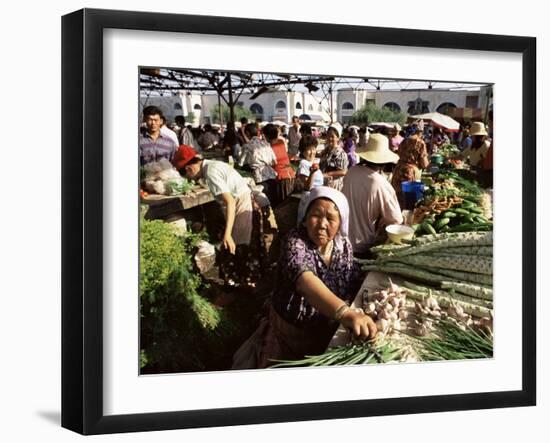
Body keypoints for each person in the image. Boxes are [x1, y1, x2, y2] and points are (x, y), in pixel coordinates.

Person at [232, 186, 377, 369]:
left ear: (341, 223)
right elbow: (305, 281)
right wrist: (345, 313)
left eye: (331, 218)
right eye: (316, 215)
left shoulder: (343, 247)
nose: (322, 224)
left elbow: (351, 276)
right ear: (305, 217)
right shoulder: (295, 242)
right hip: (289, 334)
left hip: (323, 331)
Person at [172, 145, 266, 289]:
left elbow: (229, 202)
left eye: (185, 173)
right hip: (246, 204)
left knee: (236, 249)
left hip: (242, 206)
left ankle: (238, 289)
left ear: (188, 168)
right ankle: (245, 287)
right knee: (244, 249)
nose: (188, 177)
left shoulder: (210, 172)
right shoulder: (212, 166)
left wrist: (227, 234)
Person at [342, 133, 403, 256]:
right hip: (362, 245)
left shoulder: (351, 172)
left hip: (341, 240)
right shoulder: (381, 184)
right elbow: (396, 220)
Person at [238, 123, 278, 205]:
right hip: (272, 176)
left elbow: (240, 163)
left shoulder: (247, 146)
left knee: (263, 204)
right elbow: (274, 162)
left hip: (259, 177)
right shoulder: (266, 144)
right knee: (273, 204)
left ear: (248, 133)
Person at [390, 123, 429, 206]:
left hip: (398, 169)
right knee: (407, 202)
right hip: (409, 173)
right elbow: (424, 164)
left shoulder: (404, 140)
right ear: (420, 131)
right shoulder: (420, 142)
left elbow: (399, 154)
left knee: (396, 199)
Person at [262, 124, 296, 207]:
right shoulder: (281, 142)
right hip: (290, 174)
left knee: (282, 205)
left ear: (266, 136)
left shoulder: (268, 148)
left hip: (281, 178)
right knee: (289, 203)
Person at [296, 135, 324, 224]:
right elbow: (307, 187)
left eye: (314, 149)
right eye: (309, 149)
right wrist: (312, 173)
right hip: (309, 200)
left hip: (316, 198)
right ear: (303, 151)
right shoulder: (303, 164)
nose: (312, 152)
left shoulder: (312, 163)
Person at [319, 126, 349, 190]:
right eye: (328, 136)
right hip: (324, 184)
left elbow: (343, 171)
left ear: (338, 138)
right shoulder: (326, 151)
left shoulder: (340, 153)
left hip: (335, 186)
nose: (330, 138)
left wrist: (328, 174)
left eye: (332, 136)